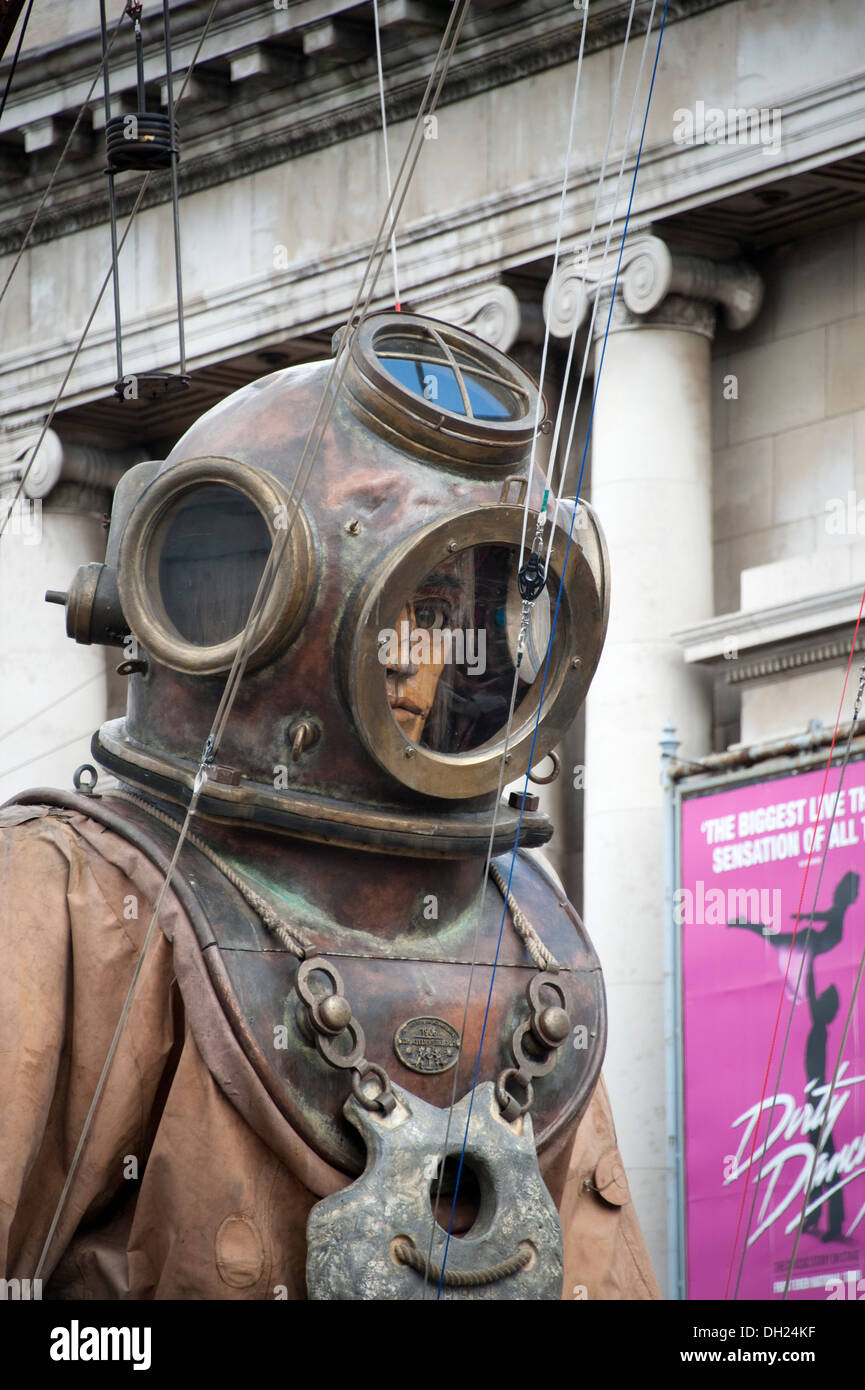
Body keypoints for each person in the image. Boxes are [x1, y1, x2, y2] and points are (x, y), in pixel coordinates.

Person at [0, 311, 659, 1300]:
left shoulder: (521, 935)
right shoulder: (73, 898)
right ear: (244, 615)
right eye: (394, 607)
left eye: (443, 620)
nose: (412, 655)